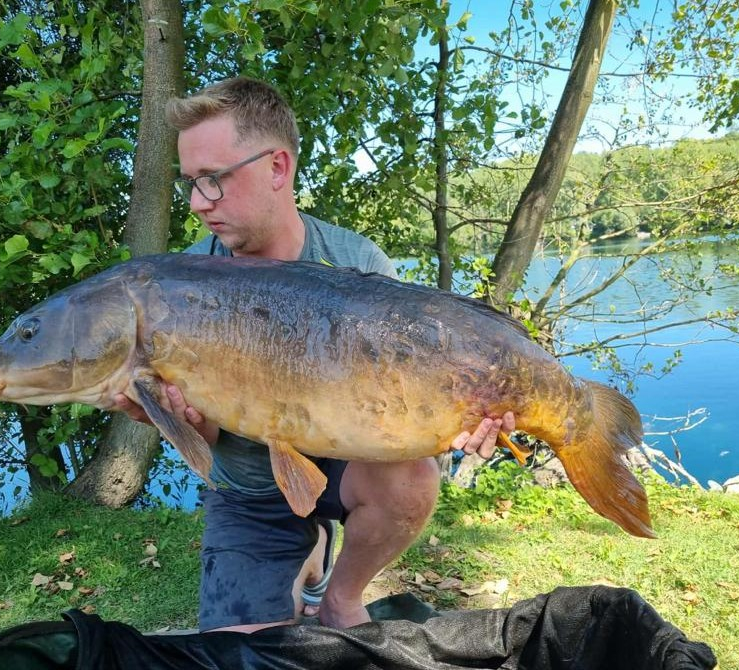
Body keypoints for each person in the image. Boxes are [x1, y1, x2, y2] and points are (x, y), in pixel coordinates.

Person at [114, 76, 516, 633]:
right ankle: (305, 546)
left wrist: (460, 419)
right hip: (251, 489)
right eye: (190, 183)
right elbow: (210, 440)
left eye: (214, 179)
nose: (198, 203)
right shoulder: (183, 286)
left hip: (347, 465)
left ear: (278, 168)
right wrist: (168, 415)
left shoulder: (357, 262)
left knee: (413, 478)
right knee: (242, 657)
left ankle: (340, 594)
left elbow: (408, 396)